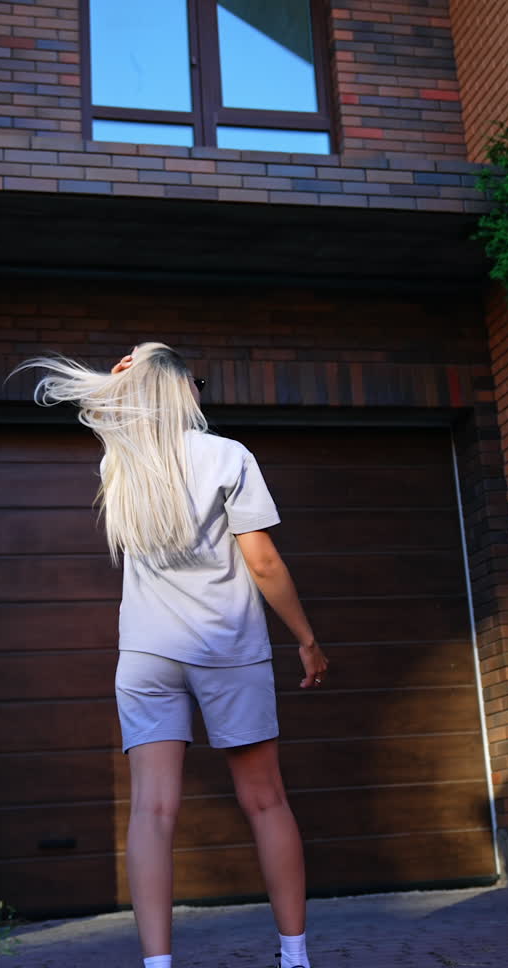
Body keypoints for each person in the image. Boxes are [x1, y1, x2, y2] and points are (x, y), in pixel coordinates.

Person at [28, 341, 329, 968]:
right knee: (266, 800)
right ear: (184, 388)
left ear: (139, 388)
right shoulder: (226, 455)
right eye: (197, 380)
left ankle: (157, 965)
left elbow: (107, 414)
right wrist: (305, 637)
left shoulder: (120, 460)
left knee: (152, 810)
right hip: (226, 647)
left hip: (146, 655)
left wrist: (124, 375)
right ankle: (295, 957)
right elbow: (263, 563)